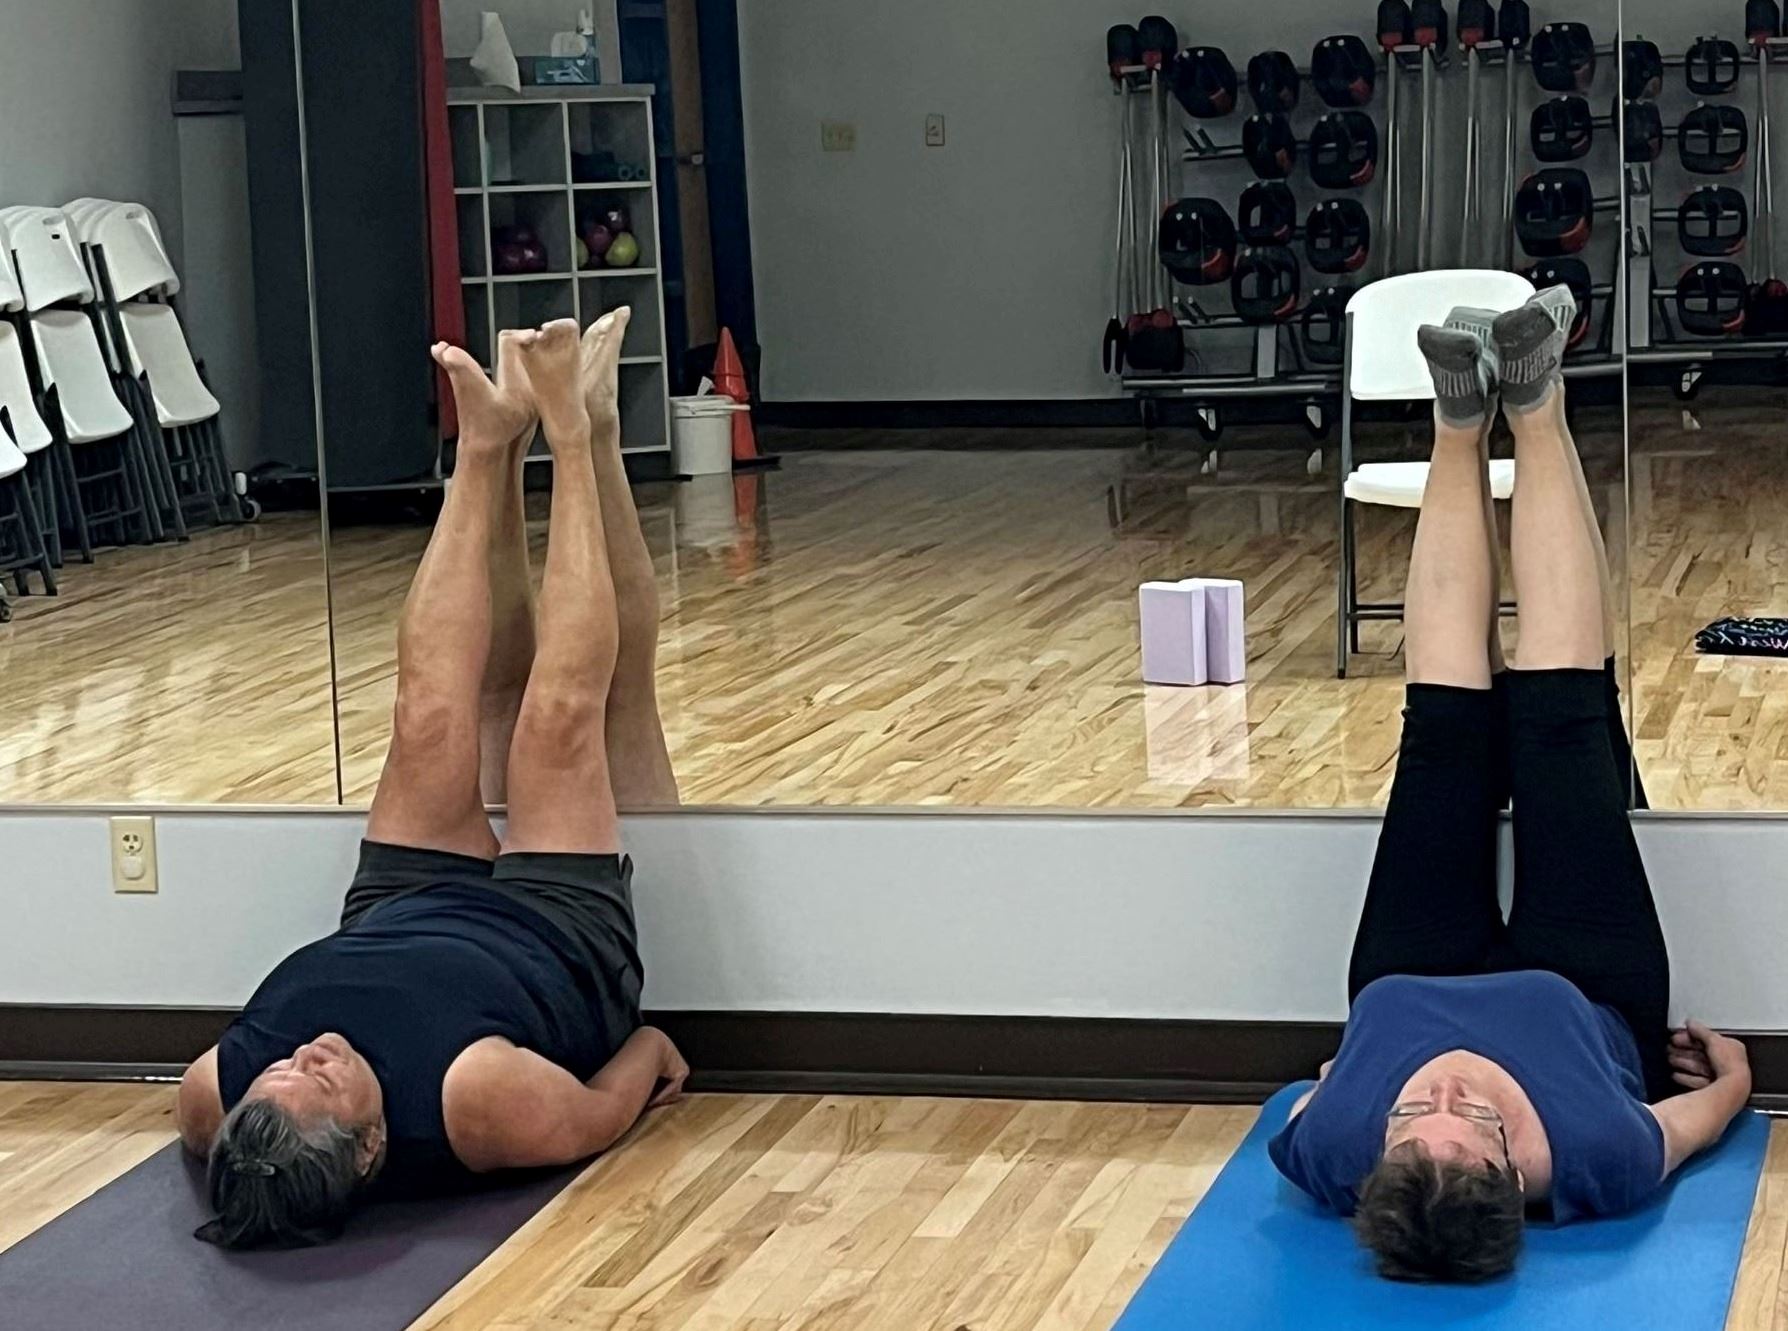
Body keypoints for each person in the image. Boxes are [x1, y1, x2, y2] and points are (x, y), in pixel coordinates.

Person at [1268, 288, 1752, 1283]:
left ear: (1377, 1157)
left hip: (1411, 973)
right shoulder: (1598, 1155)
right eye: (1474, 1118)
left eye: (1414, 1114)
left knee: (1444, 726)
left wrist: (1342, 1076)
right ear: (1514, 1165)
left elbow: (1309, 1099)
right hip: (1585, 991)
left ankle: (1456, 420)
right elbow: (1698, 1122)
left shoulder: (1329, 1152)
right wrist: (1738, 1078)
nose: (1445, 1091)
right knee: (1561, 715)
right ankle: (1534, 400)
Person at [174, 309, 687, 1248]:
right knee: (558, 716)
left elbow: (242, 1113)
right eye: (320, 1078)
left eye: (279, 1070)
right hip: (557, 933)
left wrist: (275, 1087)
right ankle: (572, 437)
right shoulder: (479, 1109)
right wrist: (650, 1043)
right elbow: (597, 1114)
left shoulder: (216, 1097)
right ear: (372, 1146)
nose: (305, 1051)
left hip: (397, 905)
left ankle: (484, 447)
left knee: (425, 714)